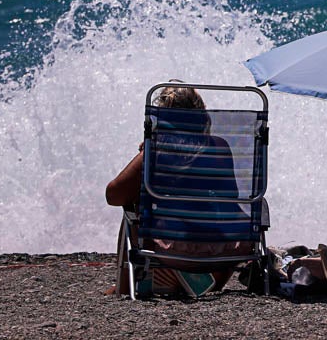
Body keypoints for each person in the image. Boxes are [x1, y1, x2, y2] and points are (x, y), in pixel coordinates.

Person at [106, 82, 249, 296]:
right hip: (218, 252)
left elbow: (114, 195)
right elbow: (231, 197)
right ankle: (206, 280)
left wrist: (147, 155)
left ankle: (126, 287)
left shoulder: (156, 151)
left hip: (167, 248)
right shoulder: (219, 147)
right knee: (236, 216)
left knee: (131, 209)